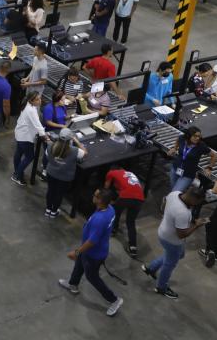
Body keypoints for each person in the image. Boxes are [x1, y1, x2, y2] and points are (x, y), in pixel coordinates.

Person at [57, 188, 124, 317]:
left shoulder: (100, 219)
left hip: (94, 253)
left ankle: (114, 300)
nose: (92, 196)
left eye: (95, 196)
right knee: (79, 265)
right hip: (91, 250)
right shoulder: (109, 209)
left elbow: (92, 241)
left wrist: (76, 252)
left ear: (100, 201)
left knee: (92, 277)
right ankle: (73, 285)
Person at [142, 186, 208, 299]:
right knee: (170, 264)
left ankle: (151, 268)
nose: (197, 205)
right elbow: (181, 234)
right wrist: (196, 225)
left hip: (163, 231)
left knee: (179, 254)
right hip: (172, 241)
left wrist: (167, 215)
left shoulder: (175, 193)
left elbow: (164, 203)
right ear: (193, 198)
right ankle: (161, 287)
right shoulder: (183, 213)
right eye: (198, 202)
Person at [44, 129, 87, 217]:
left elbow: (47, 156)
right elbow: (85, 153)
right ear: (70, 139)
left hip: (51, 173)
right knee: (59, 194)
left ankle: (48, 209)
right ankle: (54, 212)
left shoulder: (51, 146)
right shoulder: (75, 151)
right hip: (64, 177)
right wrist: (76, 141)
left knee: (51, 191)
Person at [105, 165, 145, 257]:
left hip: (126, 196)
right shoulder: (130, 174)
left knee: (115, 211)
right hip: (140, 199)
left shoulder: (111, 172)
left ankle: (113, 230)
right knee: (130, 222)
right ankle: (133, 247)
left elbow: (106, 188)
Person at [12, 92, 47, 185]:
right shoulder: (31, 110)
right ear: (31, 101)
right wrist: (44, 136)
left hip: (20, 134)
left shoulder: (28, 106)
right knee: (30, 156)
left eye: (40, 98)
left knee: (18, 154)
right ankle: (17, 176)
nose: (40, 101)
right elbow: (37, 124)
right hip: (25, 137)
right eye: (37, 99)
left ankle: (16, 172)